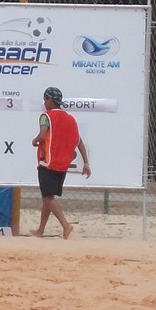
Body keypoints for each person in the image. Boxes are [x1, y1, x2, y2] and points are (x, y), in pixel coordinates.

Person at [31, 87, 91, 240]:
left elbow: (42, 134)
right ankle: (40, 231)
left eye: (45, 99)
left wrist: (35, 140)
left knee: (47, 197)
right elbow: (79, 142)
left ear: (50, 100)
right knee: (47, 197)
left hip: (48, 162)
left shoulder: (46, 116)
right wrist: (86, 163)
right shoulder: (70, 119)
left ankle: (65, 225)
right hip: (63, 164)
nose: (44, 102)